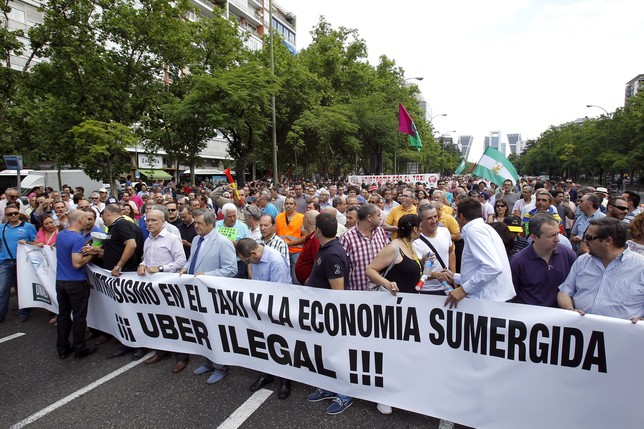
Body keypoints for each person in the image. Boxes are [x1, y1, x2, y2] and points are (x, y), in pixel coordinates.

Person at [179, 208, 237, 384]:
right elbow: (193, 259)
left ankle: (221, 366)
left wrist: (207, 275)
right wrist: (185, 267)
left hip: (213, 294)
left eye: (199, 223)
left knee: (214, 331)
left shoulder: (222, 242)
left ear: (211, 224)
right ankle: (209, 361)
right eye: (195, 222)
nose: (195, 226)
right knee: (202, 330)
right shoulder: (197, 239)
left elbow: (231, 269)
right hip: (196, 292)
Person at [305, 212, 353, 415]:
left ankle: (344, 395)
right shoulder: (327, 249)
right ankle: (329, 387)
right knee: (325, 354)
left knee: (337, 355)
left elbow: (338, 292)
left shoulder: (332, 254)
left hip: (330, 316)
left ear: (317, 230)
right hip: (321, 313)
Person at [557, 217, 644, 322]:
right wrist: (570, 310)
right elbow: (565, 292)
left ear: (608, 241)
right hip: (582, 332)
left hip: (623, 335)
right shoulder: (582, 261)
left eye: (589, 237)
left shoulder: (640, 266)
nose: (584, 241)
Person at [236, 238, 292, 398]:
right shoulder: (255, 259)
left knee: (280, 345)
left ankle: (285, 380)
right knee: (262, 342)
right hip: (261, 308)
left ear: (253, 253)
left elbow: (279, 292)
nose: (248, 264)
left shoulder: (275, 261)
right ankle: (266, 374)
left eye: (247, 260)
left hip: (278, 310)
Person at [138, 209, 187, 373]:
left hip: (169, 286)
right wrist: (142, 264)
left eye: (153, 220)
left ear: (163, 222)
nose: (149, 223)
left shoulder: (172, 239)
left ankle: (181, 357)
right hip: (152, 288)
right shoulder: (148, 240)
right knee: (158, 319)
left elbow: (181, 261)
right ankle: (162, 350)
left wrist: (161, 268)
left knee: (173, 320)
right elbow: (146, 258)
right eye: (147, 220)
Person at [443, 197, 516, 307]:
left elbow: (493, 267)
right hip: (491, 300)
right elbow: (479, 267)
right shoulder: (483, 228)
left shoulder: (475, 231)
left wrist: (463, 290)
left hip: (488, 302)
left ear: (461, 216)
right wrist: (456, 277)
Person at [55, 210, 97, 359]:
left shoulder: (61, 235)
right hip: (76, 282)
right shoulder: (77, 238)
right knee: (79, 317)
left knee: (63, 315)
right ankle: (80, 348)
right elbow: (77, 263)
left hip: (60, 281)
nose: (88, 221)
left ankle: (62, 348)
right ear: (80, 220)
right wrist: (92, 255)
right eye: (86, 219)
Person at [511, 213, 577, 307]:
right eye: (551, 236)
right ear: (534, 237)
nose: (557, 239)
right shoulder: (517, 262)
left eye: (558, 233)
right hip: (531, 318)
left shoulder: (568, 254)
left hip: (562, 318)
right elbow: (512, 295)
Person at [366, 214, 422, 294]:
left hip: (411, 300)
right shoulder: (393, 247)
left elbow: (409, 268)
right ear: (415, 229)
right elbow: (370, 270)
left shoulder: (410, 246)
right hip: (394, 301)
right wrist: (387, 284)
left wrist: (423, 261)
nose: (422, 230)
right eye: (421, 227)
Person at [0, 204, 37, 323]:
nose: (14, 215)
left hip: (22, 263)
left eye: (16, 213)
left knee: (21, 289)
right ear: (6, 215)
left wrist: (27, 242)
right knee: (2, 290)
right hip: (5, 262)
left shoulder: (28, 227)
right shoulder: (2, 227)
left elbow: (36, 242)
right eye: (10, 214)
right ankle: (1, 315)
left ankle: (23, 312)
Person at [339, 204, 389, 291]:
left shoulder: (380, 232)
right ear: (369, 218)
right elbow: (342, 266)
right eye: (378, 215)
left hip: (380, 293)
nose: (381, 218)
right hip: (357, 293)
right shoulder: (347, 237)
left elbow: (388, 256)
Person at [412, 205, 455, 295]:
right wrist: (438, 275)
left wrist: (453, 275)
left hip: (446, 288)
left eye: (435, 216)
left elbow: (451, 251)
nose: (434, 220)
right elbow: (417, 270)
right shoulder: (415, 242)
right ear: (421, 221)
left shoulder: (445, 231)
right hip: (426, 290)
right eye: (429, 218)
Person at [275, 196, 305, 282]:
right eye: (287, 203)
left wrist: (288, 244)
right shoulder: (278, 217)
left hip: (296, 252)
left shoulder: (302, 218)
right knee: (281, 277)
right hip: (281, 251)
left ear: (295, 205)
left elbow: (304, 237)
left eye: (291, 204)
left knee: (296, 279)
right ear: (284, 205)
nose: (288, 206)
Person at [294, 210, 320, 284]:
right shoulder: (310, 237)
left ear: (308, 222)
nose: (302, 222)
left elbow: (317, 263)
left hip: (309, 285)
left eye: (303, 219)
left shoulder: (315, 239)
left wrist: (310, 279)